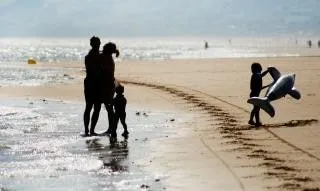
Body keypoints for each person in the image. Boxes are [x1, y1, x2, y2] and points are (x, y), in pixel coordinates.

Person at [83, 36, 103, 136]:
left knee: (90, 107)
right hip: (95, 84)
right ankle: (90, 130)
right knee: (94, 108)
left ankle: (88, 130)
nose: (98, 45)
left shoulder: (88, 56)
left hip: (90, 83)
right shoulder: (97, 56)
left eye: (98, 43)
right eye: (97, 43)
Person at [100, 42, 120, 137]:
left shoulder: (106, 58)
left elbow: (103, 69)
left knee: (109, 108)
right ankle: (111, 128)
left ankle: (111, 128)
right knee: (109, 107)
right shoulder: (108, 57)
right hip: (110, 84)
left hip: (108, 85)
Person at [248, 62, 269, 127]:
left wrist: (268, 85)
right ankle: (251, 120)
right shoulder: (256, 75)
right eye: (260, 68)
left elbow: (260, 88)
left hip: (255, 94)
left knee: (257, 108)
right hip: (254, 95)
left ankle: (257, 122)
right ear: (257, 69)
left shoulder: (256, 75)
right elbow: (261, 75)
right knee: (256, 108)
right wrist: (268, 71)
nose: (261, 69)